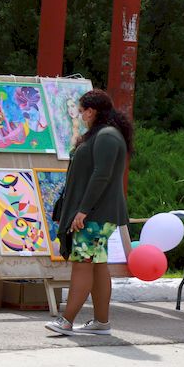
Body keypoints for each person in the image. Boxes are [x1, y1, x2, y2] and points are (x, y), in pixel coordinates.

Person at [46, 89, 132, 337]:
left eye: (82, 110)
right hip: (100, 213)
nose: (81, 115)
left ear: (91, 111)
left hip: (94, 214)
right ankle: (101, 322)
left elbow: (101, 176)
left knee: (82, 265)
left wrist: (82, 211)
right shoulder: (106, 134)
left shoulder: (106, 136)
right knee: (97, 267)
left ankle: (66, 321)